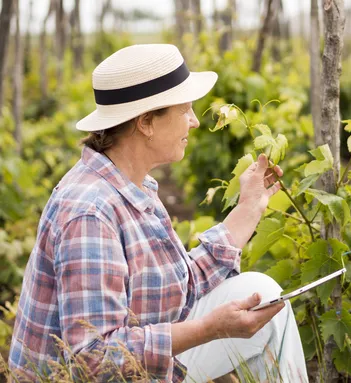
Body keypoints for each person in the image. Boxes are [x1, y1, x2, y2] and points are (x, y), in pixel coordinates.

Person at [8, 44, 308, 382]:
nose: (194, 122)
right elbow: (94, 359)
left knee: (264, 296)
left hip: (133, 363)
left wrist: (250, 207)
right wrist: (208, 330)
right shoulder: (90, 213)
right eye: (185, 110)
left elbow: (182, 285)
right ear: (147, 122)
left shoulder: (132, 185)